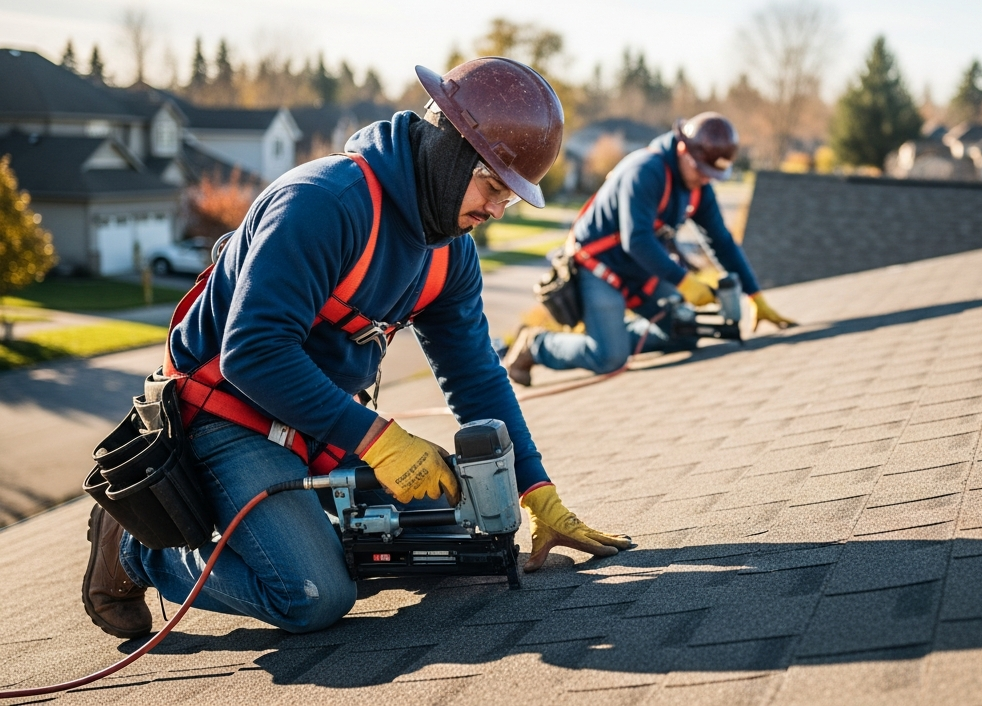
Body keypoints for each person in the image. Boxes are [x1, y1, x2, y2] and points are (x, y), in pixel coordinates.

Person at [81, 58, 631, 640]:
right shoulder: (323, 203)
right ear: (448, 151)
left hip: (318, 420)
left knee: (449, 544)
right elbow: (253, 352)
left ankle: (304, 539)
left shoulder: (449, 248)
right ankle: (139, 550)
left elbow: (475, 374)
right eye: (492, 185)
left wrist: (535, 487)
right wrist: (380, 441)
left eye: (510, 198)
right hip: (226, 417)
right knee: (313, 595)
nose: (496, 209)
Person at [505, 112, 794, 385]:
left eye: (711, 174)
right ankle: (537, 344)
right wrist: (685, 282)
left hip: (640, 268)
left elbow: (721, 242)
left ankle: (613, 336)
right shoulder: (645, 171)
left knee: (685, 332)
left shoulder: (698, 187)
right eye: (701, 170)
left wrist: (754, 295)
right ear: (683, 148)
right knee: (609, 358)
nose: (705, 179)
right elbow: (637, 240)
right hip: (598, 267)